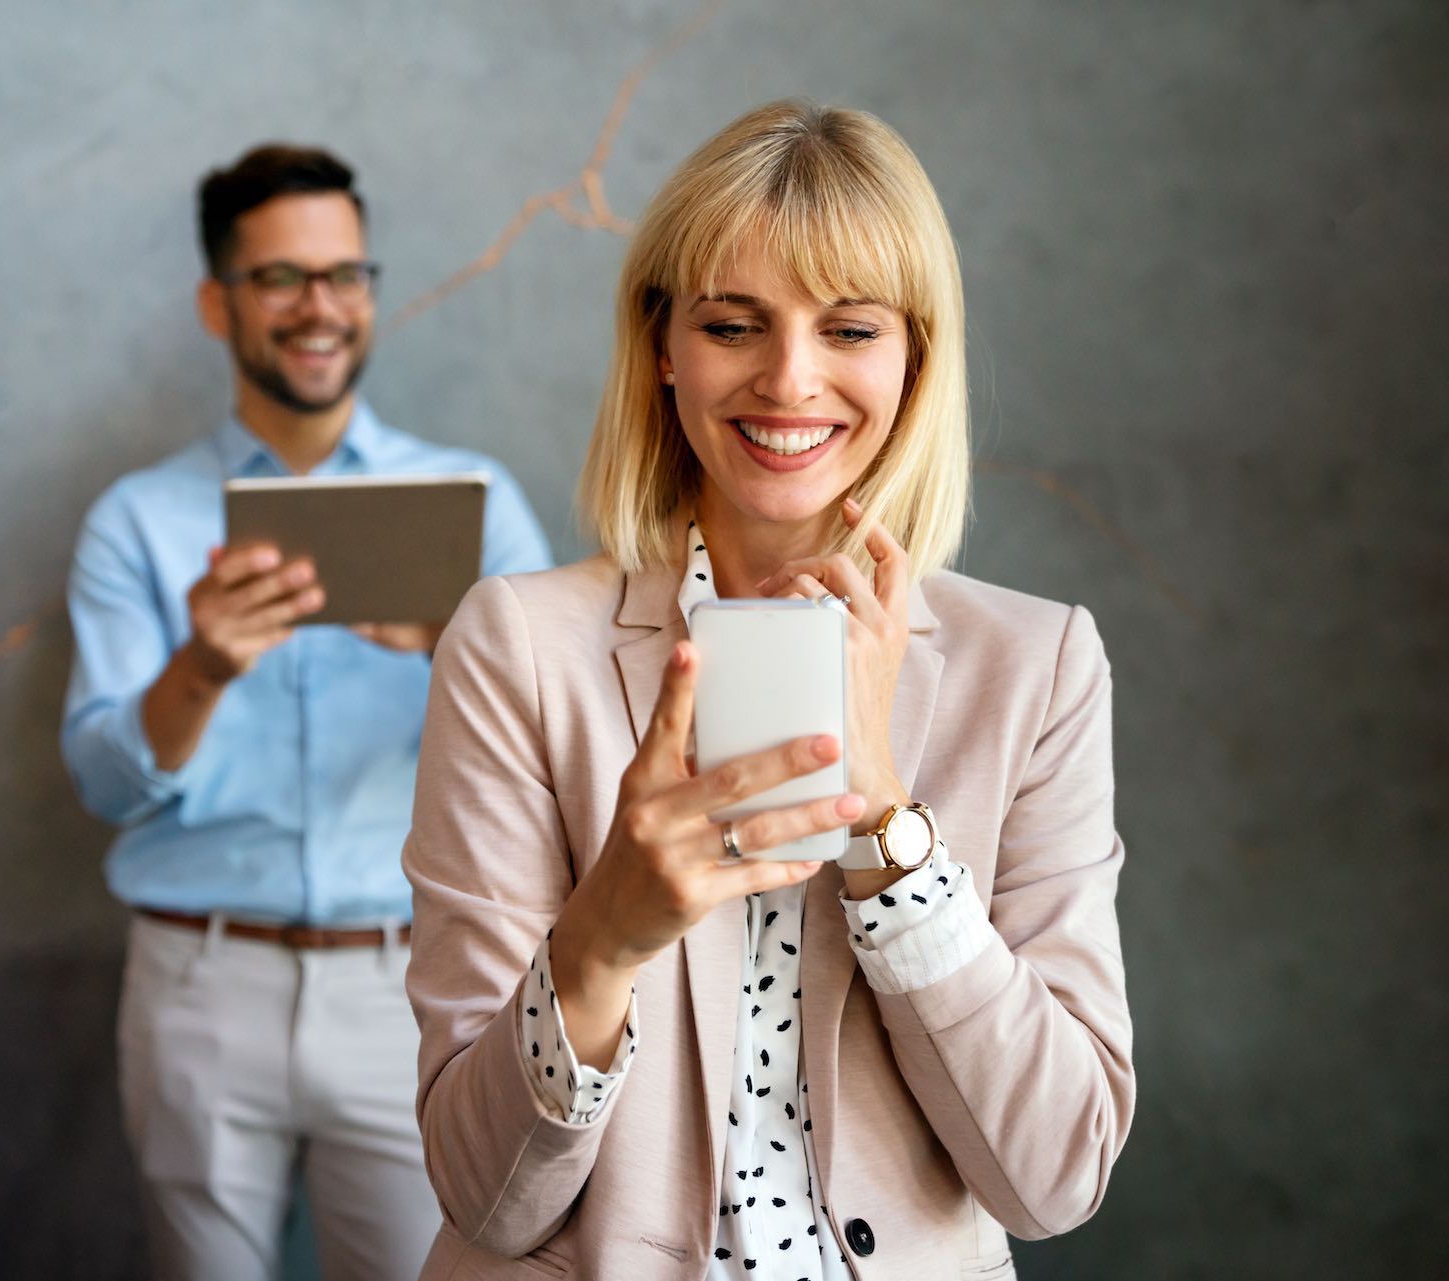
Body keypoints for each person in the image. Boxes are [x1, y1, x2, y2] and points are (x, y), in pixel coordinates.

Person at [403, 101, 1133, 1280]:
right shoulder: (521, 645)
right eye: (734, 325)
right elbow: (484, 1195)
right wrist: (606, 933)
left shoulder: (1036, 666)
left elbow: (1055, 1177)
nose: (789, 381)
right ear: (665, 349)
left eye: (849, 328)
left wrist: (889, 825)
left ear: (915, 356)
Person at [61, 143, 553, 1281]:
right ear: (217, 302)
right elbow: (101, 783)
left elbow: (568, 758)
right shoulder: (136, 521)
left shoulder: (474, 505)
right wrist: (199, 666)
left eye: (345, 274)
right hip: (197, 984)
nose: (319, 307)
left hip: (413, 989)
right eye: (280, 278)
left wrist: (452, 639)